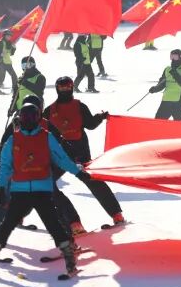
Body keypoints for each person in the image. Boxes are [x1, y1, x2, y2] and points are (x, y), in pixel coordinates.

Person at [0, 99, 89, 279]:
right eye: (25, 116)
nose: (28, 120)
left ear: (38, 117)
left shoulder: (46, 136)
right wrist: (0, 187)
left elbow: (61, 158)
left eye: (32, 116)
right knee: (8, 224)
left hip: (41, 190)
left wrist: (78, 172)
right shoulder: (14, 139)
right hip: (20, 191)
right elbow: (5, 165)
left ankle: (70, 261)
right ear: (20, 118)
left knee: (53, 224)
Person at [44, 77, 125, 232]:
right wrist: (100, 118)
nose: (65, 90)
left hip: (66, 153)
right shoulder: (66, 108)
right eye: (62, 87)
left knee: (45, 184)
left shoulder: (53, 109)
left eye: (67, 87)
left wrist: (100, 117)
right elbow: (90, 125)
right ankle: (114, 215)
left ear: (72, 87)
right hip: (71, 152)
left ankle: (112, 215)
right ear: (57, 89)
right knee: (91, 182)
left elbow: (89, 124)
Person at [149, 49, 181, 121]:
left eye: (175, 57)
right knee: (158, 122)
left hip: (179, 101)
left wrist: (175, 74)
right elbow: (162, 84)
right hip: (166, 100)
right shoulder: (167, 69)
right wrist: (155, 89)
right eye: (171, 56)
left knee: (178, 123)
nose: (173, 59)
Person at [0, 31, 16, 95]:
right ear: (4, 36)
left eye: (10, 36)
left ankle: (14, 89)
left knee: (14, 76)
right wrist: (0, 54)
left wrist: (14, 48)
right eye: (8, 35)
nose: (9, 37)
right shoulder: (1, 42)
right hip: (1, 62)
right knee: (1, 77)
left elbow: (11, 53)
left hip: (8, 62)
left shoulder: (10, 43)